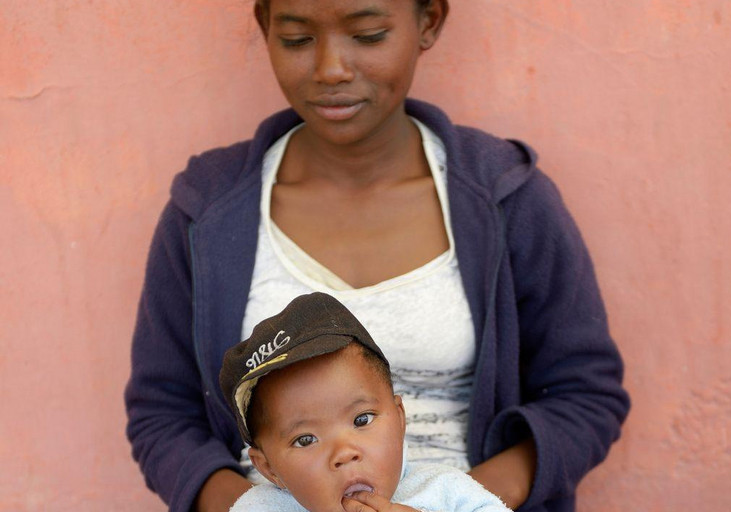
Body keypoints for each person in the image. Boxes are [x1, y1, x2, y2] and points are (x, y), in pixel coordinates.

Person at [124, 1, 631, 511]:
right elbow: (162, 413)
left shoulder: (505, 198)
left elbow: (585, 396)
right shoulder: (208, 212)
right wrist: (248, 507)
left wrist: (457, 502)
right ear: (265, 28)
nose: (330, 69)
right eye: (298, 39)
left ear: (428, 21)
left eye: (368, 35)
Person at [218, 292, 511, 512]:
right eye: (305, 439)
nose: (344, 453)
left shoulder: (447, 492)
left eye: (362, 420)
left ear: (399, 418)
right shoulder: (259, 508)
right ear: (268, 468)